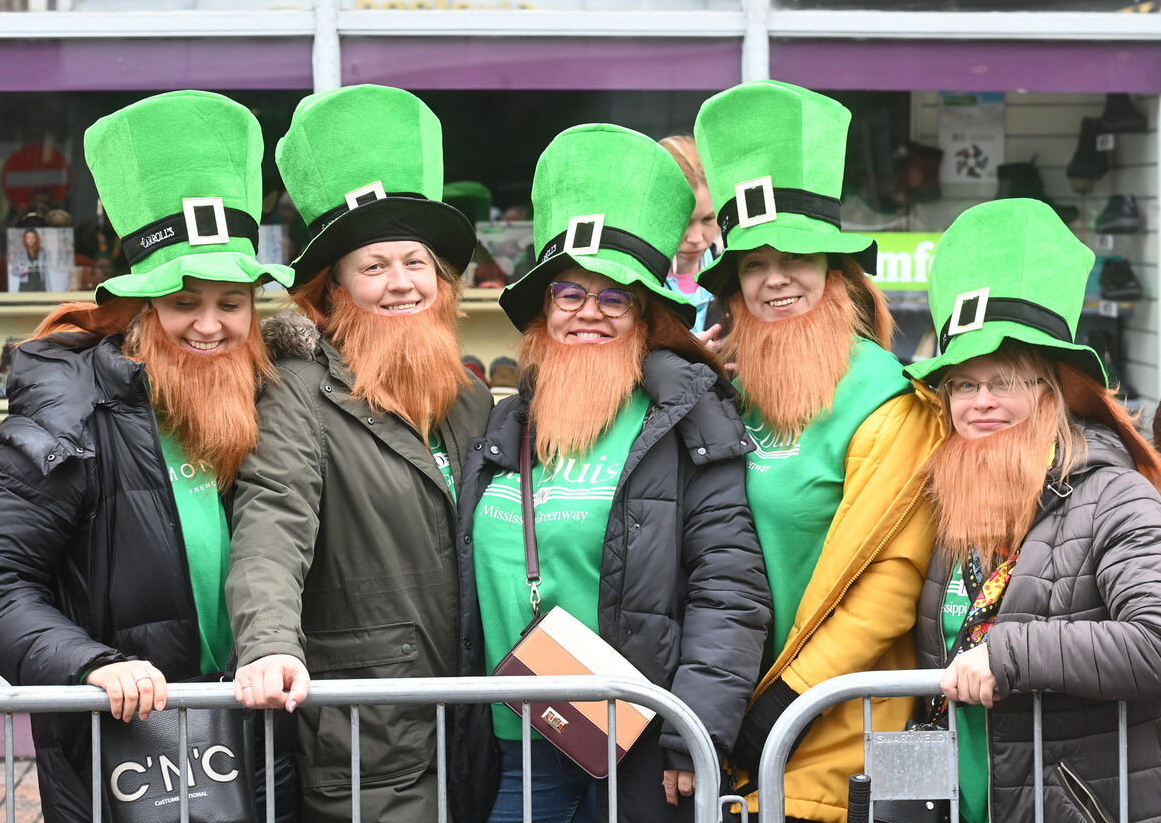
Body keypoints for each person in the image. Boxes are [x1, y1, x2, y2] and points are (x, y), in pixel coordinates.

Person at [0, 90, 296, 822]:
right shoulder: (69, 410)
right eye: (184, 303)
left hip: (268, 740)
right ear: (141, 312)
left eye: (230, 303)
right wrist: (92, 664)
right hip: (126, 759)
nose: (209, 326)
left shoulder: (277, 404)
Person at [450, 123, 772, 823]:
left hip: (640, 753)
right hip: (515, 753)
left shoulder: (688, 418)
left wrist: (696, 737)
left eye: (614, 296)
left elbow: (730, 588)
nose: (588, 313)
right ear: (542, 312)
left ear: (644, 315)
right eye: (568, 294)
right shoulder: (506, 427)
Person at [226, 84, 493, 820]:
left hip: (474, 713)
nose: (401, 284)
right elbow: (270, 522)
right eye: (374, 266)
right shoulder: (299, 393)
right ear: (333, 288)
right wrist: (269, 644)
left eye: (417, 263)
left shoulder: (469, 397)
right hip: (367, 730)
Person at [691, 80, 943, 823]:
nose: (775, 278)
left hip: (849, 736)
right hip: (740, 731)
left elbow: (893, 583)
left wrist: (787, 700)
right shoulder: (733, 390)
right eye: (752, 262)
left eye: (797, 255)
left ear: (838, 271)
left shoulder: (887, 399)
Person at [909, 197, 1161, 822]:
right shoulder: (946, 504)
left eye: (1006, 380)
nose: (981, 402)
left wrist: (1009, 653)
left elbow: (1156, 640)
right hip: (958, 802)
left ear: (1052, 393)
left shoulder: (1114, 495)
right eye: (964, 384)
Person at [659, 135, 719, 336]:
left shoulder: (733, 278)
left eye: (709, 219)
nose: (696, 238)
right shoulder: (635, 284)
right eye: (684, 223)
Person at [15, 226, 46, 291]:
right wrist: (22, 271)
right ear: (25, 239)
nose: (31, 240)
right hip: (25, 285)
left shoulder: (41, 252)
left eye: (33, 237)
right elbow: (13, 271)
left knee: (41, 301)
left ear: (36, 239)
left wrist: (49, 287)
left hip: (39, 284)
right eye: (28, 237)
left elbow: (46, 270)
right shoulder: (20, 253)